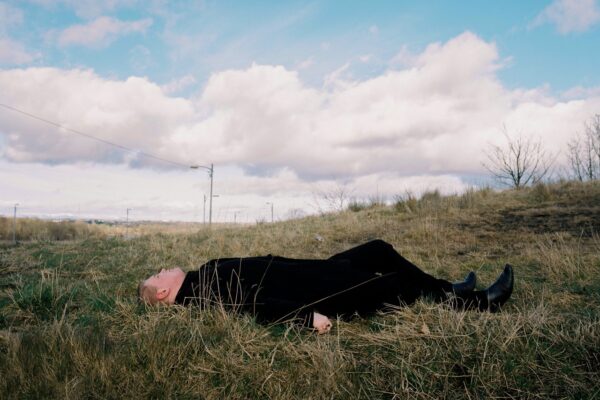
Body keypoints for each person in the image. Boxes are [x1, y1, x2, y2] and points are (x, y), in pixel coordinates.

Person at [138, 239, 514, 334]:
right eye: (157, 275)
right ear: (162, 293)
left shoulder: (203, 273)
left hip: (315, 273)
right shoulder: (201, 293)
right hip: (321, 293)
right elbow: (254, 305)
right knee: (396, 284)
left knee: (377, 250)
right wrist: (305, 319)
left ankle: (449, 288)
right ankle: (478, 302)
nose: (162, 269)